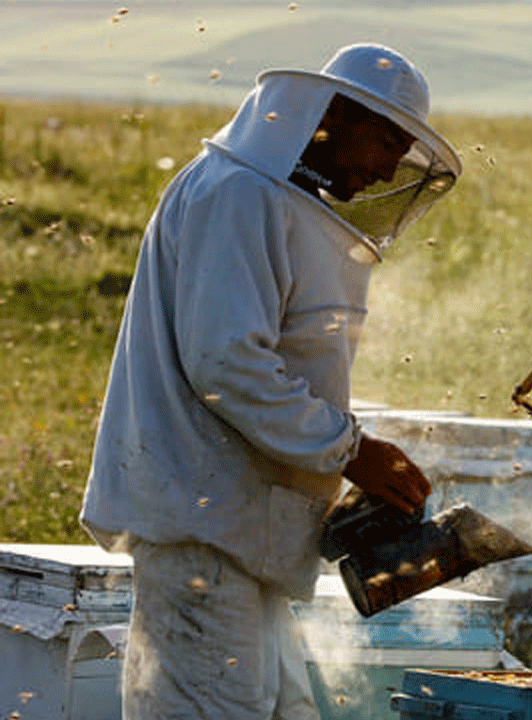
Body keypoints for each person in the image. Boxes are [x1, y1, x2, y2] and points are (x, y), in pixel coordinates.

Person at [80, 43, 461, 719]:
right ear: (328, 115)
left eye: (401, 150)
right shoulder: (237, 196)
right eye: (382, 141)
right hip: (205, 535)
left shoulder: (264, 199)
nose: (385, 168)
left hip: (239, 538)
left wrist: (345, 464)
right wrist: (349, 451)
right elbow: (229, 365)